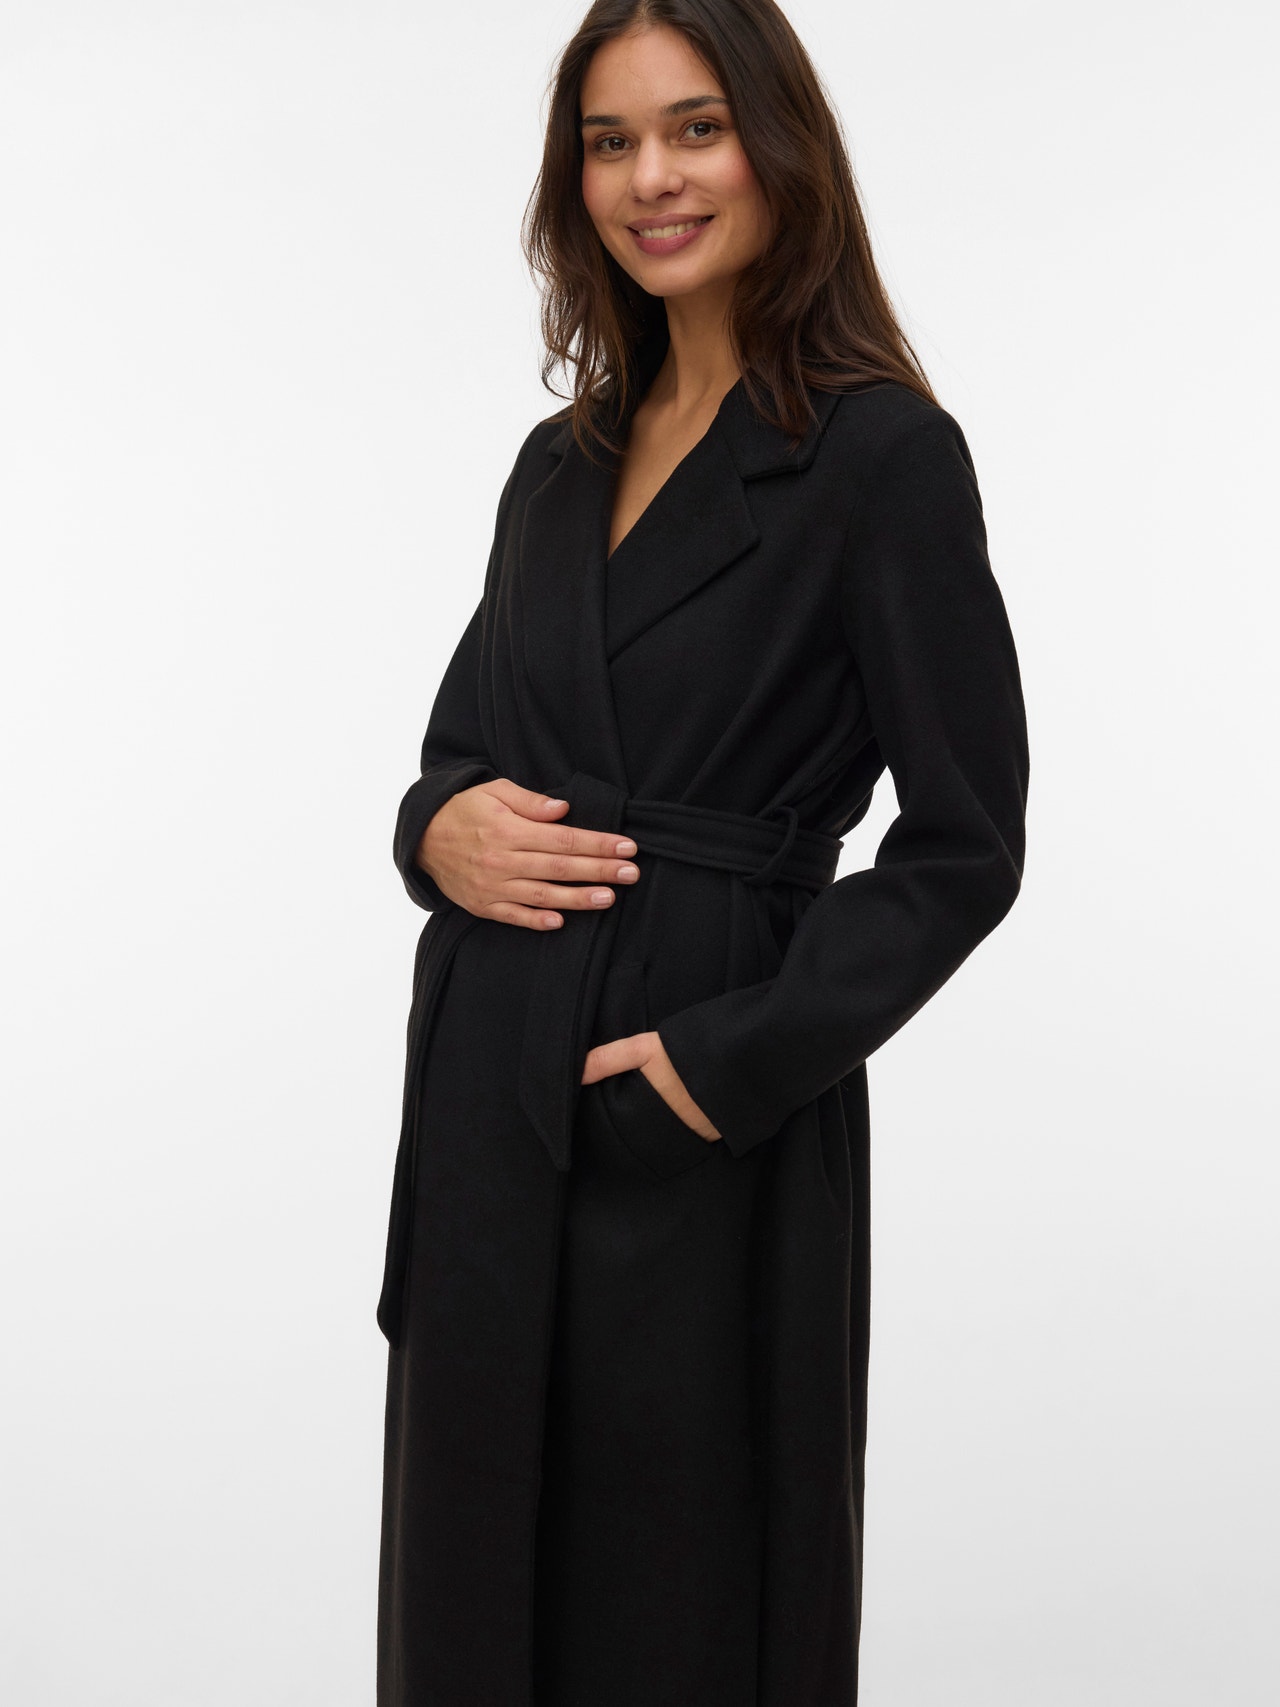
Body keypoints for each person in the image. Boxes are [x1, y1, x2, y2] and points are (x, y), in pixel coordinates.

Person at [375, 2, 1030, 1703]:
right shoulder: (558, 463)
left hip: (698, 1097)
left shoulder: (881, 455)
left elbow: (966, 844)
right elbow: (464, 748)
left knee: (677, 1602)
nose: (649, 179)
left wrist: (725, 1067)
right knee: (465, 1602)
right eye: (609, 143)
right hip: (488, 1097)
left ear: (778, 147)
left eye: (694, 128)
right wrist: (435, 830)